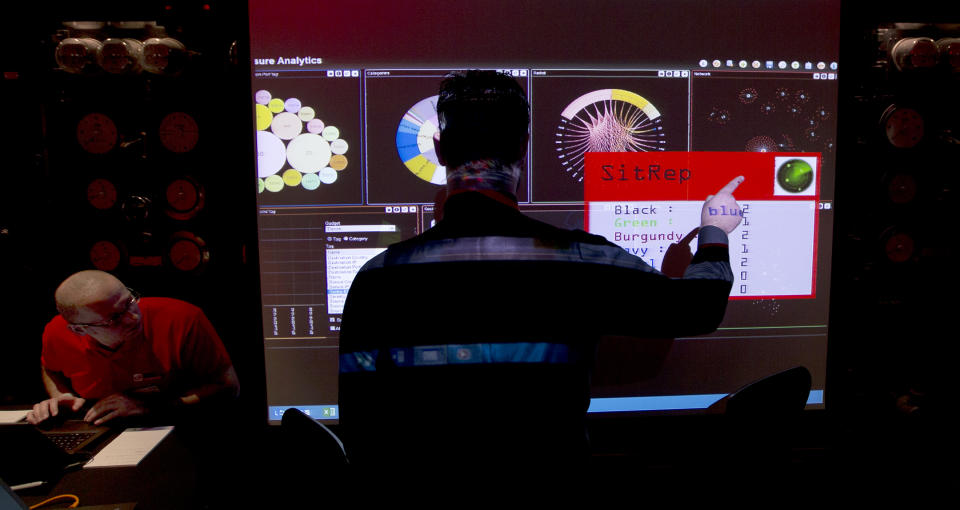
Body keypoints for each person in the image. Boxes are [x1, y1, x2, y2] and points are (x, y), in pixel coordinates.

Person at [338, 70, 743, 471]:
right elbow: (701, 308)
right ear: (524, 147)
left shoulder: (378, 276)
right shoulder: (579, 260)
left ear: (440, 151)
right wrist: (714, 229)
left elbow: (359, 425)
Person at [26, 270, 239, 425]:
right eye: (115, 318)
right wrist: (61, 395)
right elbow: (50, 368)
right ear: (80, 330)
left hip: (178, 424)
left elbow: (228, 388)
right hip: (101, 427)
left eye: (129, 301)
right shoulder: (57, 333)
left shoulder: (181, 318)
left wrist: (149, 408)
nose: (133, 317)